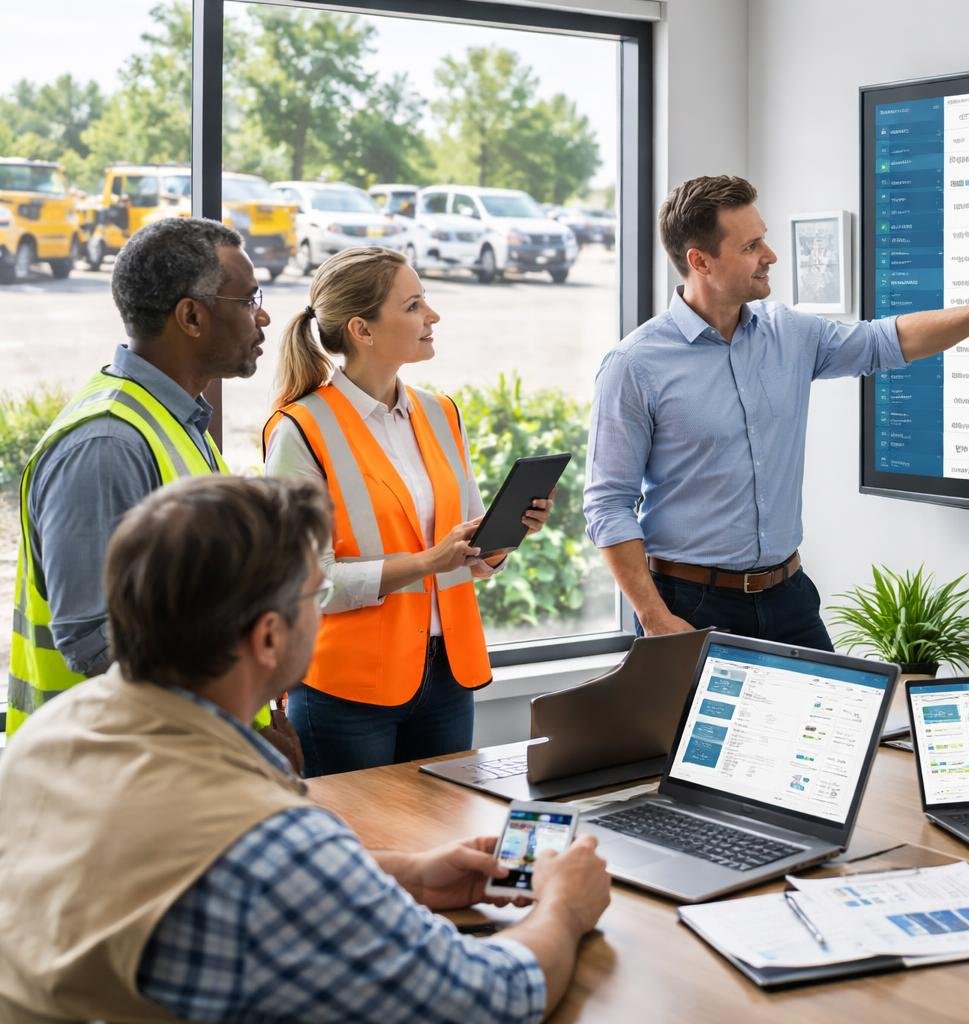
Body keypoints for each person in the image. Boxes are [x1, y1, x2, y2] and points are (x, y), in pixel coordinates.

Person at [0, 475, 611, 1023]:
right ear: (269, 637)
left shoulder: (51, 737)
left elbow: (150, 876)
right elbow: (488, 1001)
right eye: (315, 596)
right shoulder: (267, 847)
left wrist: (411, 877)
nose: (322, 615)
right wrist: (563, 906)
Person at [584, 175, 969, 648]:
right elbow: (608, 505)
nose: (770, 256)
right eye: (751, 246)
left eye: (765, 240)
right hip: (690, 606)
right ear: (700, 261)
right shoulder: (634, 366)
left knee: (837, 729)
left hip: (789, 598)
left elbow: (887, 340)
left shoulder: (789, 335)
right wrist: (654, 617)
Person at [6, 216, 299, 765]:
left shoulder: (173, 420)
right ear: (191, 315)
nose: (262, 316)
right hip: (105, 777)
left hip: (173, 766)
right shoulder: (107, 444)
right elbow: (96, 645)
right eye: (249, 298)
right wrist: (236, 731)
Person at [264, 246, 552, 775]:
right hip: (347, 690)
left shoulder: (442, 413)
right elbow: (307, 584)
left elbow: (467, 556)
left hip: (447, 679)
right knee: (366, 852)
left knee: (445, 840)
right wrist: (426, 563)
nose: (433, 316)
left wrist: (502, 539)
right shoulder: (300, 430)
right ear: (362, 329)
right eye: (414, 304)